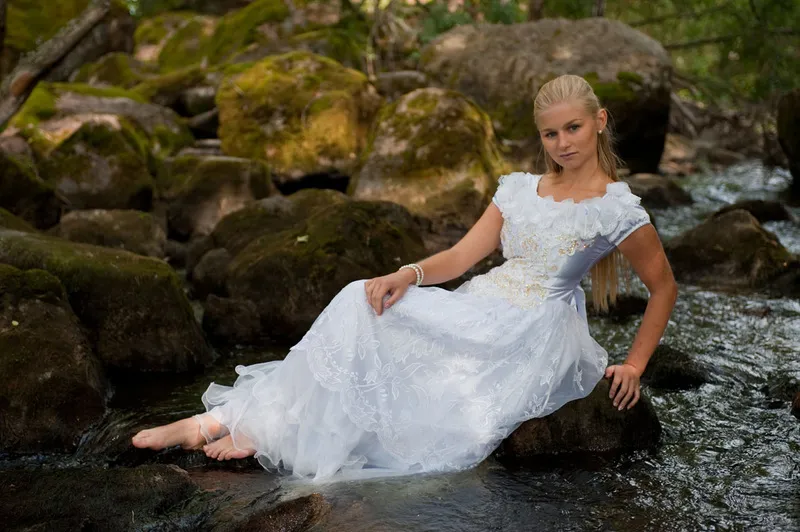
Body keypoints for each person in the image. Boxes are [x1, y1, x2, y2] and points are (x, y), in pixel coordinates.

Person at [132, 74, 678, 482]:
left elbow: (663, 288)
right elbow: (463, 256)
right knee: (362, 300)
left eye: (573, 128)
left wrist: (634, 364)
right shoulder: (518, 189)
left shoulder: (616, 210)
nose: (562, 143)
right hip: (483, 302)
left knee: (411, 377)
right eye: (550, 133)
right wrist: (408, 273)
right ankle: (221, 421)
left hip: (531, 331)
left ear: (600, 120)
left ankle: (258, 429)